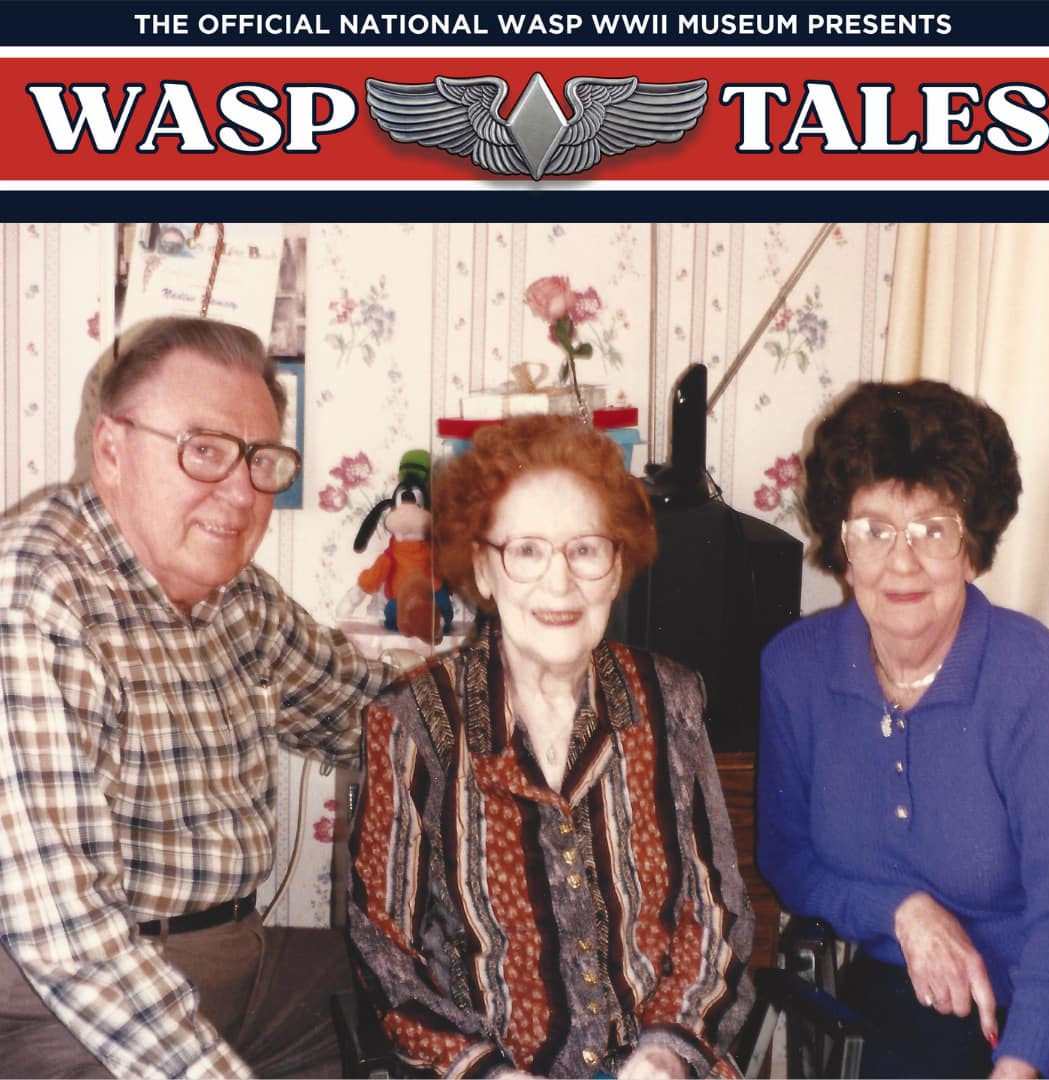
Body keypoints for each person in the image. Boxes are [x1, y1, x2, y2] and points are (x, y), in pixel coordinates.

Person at [0, 317, 388, 1078]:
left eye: (261, 460)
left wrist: (527, 687)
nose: (241, 493)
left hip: (239, 965)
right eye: (204, 449)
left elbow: (374, 713)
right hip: (72, 998)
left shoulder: (237, 599)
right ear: (111, 449)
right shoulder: (34, 597)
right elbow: (67, 936)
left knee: (422, 1003)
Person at [348, 414, 755, 1079]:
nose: (560, 583)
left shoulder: (669, 700)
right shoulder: (411, 723)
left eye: (585, 550)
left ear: (617, 566)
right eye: (528, 551)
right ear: (484, 568)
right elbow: (385, 951)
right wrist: (483, 1070)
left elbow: (717, 915)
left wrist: (667, 1052)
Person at [757, 379, 1049, 1079]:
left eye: (933, 530)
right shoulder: (794, 670)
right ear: (843, 547)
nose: (901, 563)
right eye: (874, 531)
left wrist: (1022, 1060)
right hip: (905, 989)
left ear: (973, 548)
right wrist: (900, 910)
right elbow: (787, 857)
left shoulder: (1041, 679)